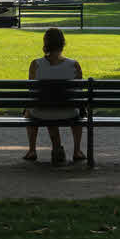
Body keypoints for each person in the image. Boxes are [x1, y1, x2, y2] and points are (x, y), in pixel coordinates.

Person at [24, 27, 85, 165]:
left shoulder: (35, 65)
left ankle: (32, 150)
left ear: (45, 43)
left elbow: (31, 92)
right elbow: (79, 93)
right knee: (78, 111)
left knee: (33, 107)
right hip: (68, 112)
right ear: (63, 43)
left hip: (40, 112)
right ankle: (77, 151)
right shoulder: (74, 65)